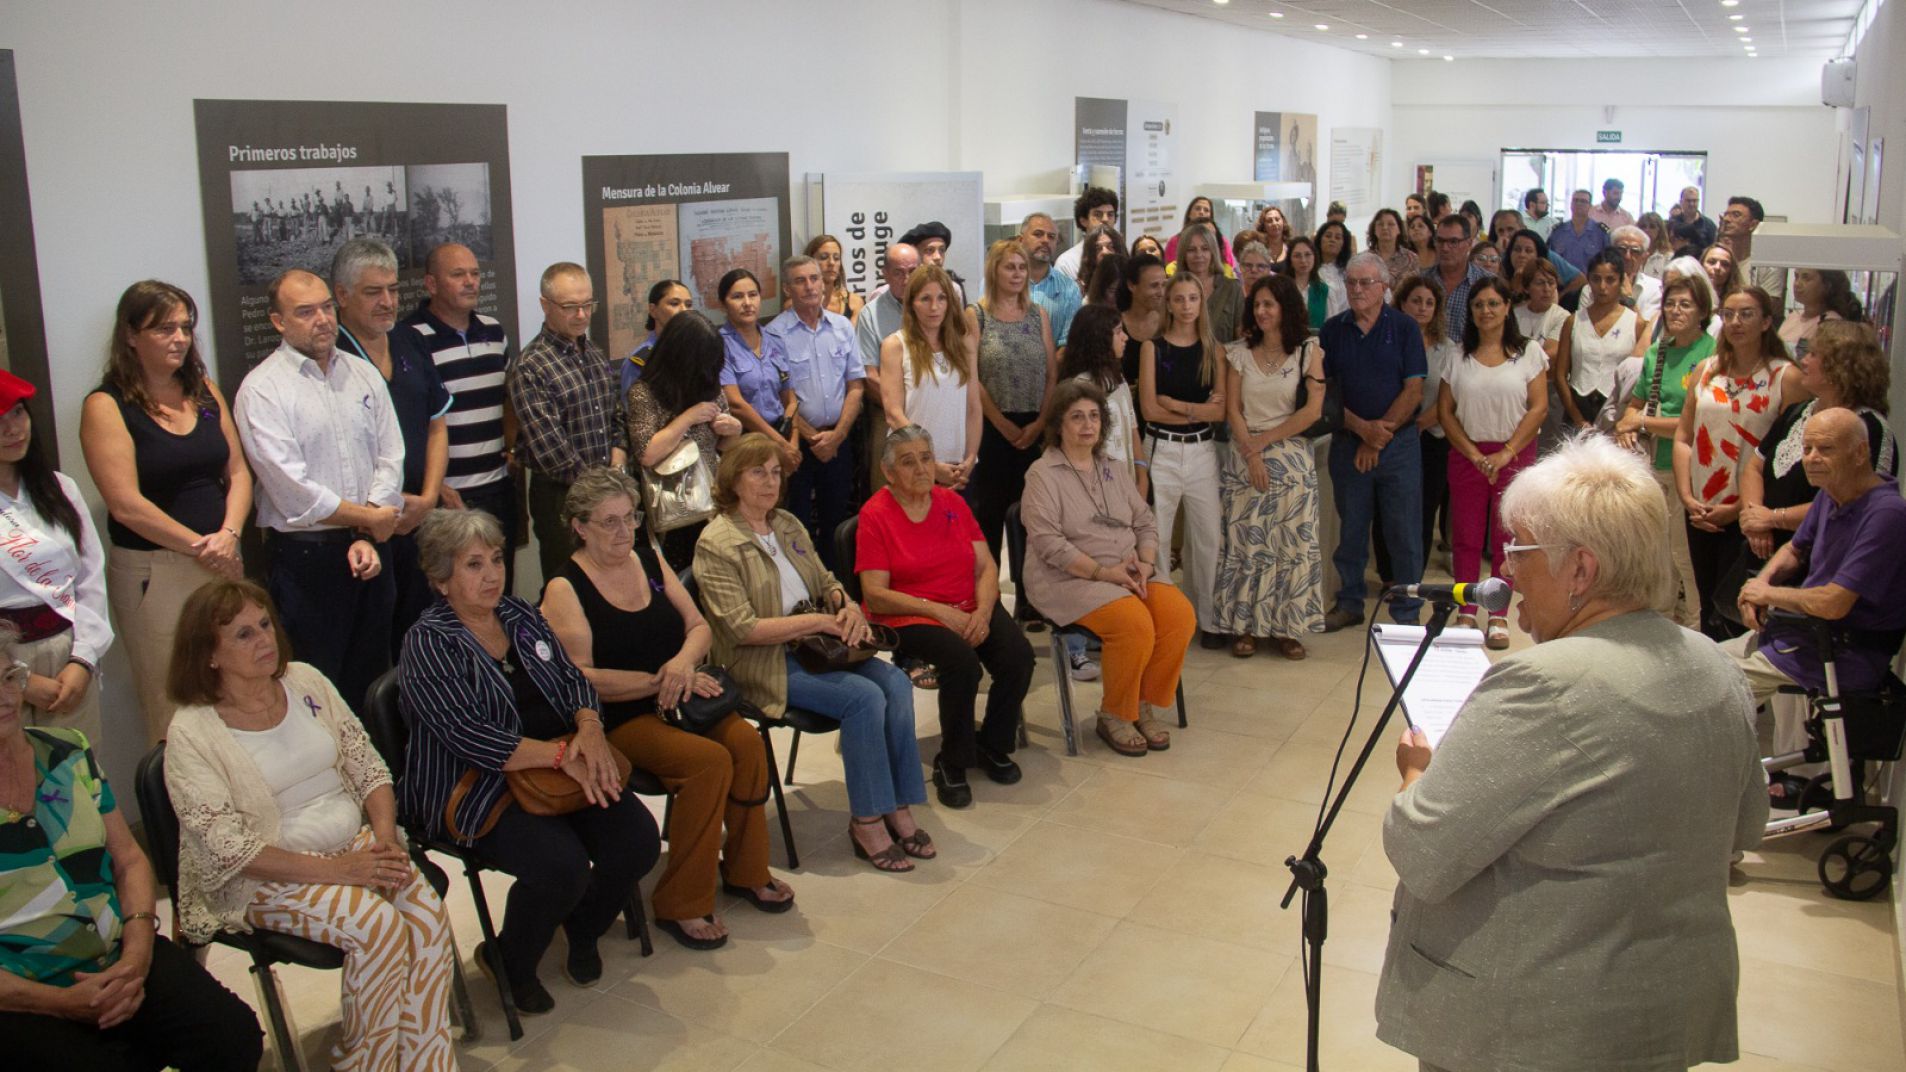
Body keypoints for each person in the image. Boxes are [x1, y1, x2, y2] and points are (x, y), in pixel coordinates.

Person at [1377, 434, 1768, 1072]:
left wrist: (1416, 776)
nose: (1504, 571)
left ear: (1581, 570)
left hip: (1538, 1026)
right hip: (1661, 1012)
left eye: (1519, 551)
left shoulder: (1545, 685)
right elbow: (1744, 827)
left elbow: (1423, 852)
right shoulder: (1714, 666)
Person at [164, 580, 455, 1070]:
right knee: (376, 926)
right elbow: (231, 851)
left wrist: (383, 843)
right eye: (242, 635)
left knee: (425, 917)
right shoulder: (192, 732)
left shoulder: (305, 681)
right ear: (208, 655)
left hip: (358, 844)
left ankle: (426, 1063)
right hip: (266, 874)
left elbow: (368, 768)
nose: (264, 639)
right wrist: (346, 873)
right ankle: (368, 1063)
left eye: (264, 625)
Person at [398, 508, 659, 1014]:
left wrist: (588, 727)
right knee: (561, 866)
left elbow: (572, 678)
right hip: (475, 783)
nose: (492, 574)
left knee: (637, 842)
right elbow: (470, 737)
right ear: (440, 580)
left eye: (495, 559)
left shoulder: (519, 614)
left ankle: (581, 929)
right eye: (473, 565)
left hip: (559, 764)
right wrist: (563, 756)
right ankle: (510, 960)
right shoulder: (428, 642)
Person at [540, 469, 791, 951]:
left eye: (629, 518)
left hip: (681, 695)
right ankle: (681, 901)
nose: (623, 531)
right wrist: (660, 680)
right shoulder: (565, 588)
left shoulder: (647, 559)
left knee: (746, 743)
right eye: (608, 522)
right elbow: (578, 677)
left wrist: (680, 663)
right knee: (708, 763)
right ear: (579, 527)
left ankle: (746, 870)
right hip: (620, 718)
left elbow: (698, 627)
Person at [0, 625, 264, 1072]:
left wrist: (137, 956)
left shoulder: (67, 752)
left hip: (120, 952)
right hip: (25, 994)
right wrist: (63, 1003)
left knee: (231, 1036)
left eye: (9, 677)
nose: (5, 695)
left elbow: (128, 859)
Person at [693, 434, 933, 873]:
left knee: (896, 683)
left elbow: (825, 580)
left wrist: (846, 605)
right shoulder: (717, 542)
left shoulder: (785, 523)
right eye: (757, 472)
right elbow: (742, 629)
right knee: (864, 698)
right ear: (732, 478)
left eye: (775, 472)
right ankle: (867, 820)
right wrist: (821, 622)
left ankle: (897, 804)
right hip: (762, 662)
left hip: (818, 650)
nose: (770, 482)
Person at [80, 282, 246, 745]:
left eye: (186, 327)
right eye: (164, 328)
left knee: (236, 689)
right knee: (173, 706)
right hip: (157, 571)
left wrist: (229, 534)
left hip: (222, 558)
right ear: (131, 335)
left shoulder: (205, 392)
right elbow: (126, 505)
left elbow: (237, 471)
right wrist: (202, 547)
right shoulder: (107, 405)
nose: (179, 338)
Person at [235, 269, 400, 715]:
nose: (322, 319)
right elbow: (293, 491)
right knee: (316, 687)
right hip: (308, 560)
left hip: (371, 551)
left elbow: (391, 458)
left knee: (374, 683)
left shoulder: (363, 374)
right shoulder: (263, 390)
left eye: (326, 307)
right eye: (305, 312)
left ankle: (379, 780)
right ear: (277, 322)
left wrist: (367, 533)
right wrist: (369, 520)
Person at [856, 426, 1032, 808]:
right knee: (962, 662)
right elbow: (875, 594)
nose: (921, 468)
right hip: (909, 614)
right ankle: (951, 761)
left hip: (970, 605)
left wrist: (984, 612)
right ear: (889, 473)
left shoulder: (952, 502)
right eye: (908, 461)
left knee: (1018, 657)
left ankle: (992, 745)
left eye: (925, 457)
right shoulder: (875, 515)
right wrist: (939, 612)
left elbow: (986, 567)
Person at [1021, 379, 1195, 756]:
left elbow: (1145, 521)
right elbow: (1049, 544)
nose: (1087, 425)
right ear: (1059, 425)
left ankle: (1141, 704)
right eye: (1077, 417)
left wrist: (1147, 563)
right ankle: (1115, 714)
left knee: (1179, 616)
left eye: (1094, 417)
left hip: (1129, 570)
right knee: (1134, 624)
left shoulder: (1113, 468)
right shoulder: (1042, 474)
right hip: (1068, 578)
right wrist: (1104, 573)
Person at [1731, 407, 1906, 761]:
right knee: (1695, 661)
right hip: (1799, 637)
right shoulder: (1831, 494)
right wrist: (1760, 583)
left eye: (1825, 449)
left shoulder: (1887, 513)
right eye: (1807, 449)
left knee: (1700, 686)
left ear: (1860, 453)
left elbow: (1834, 602)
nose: (1811, 458)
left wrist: (1769, 594)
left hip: (1839, 651)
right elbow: (1794, 550)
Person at [330, 238, 452, 657]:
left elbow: (436, 424)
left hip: (419, 516)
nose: (387, 301)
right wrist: (385, 504)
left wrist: (429, 497)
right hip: (365, 525)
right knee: (373, 646)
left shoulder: (410, 341)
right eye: (372, 292)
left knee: (423, 635)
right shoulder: (331, 357)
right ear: (341, 295)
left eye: (393, 289)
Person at [1674, 286, 1804, 640]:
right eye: (1728, 314)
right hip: (1700, 507)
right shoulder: (1706, 371)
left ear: (1765, 322)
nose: (1735, 322)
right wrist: (1687, 497)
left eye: (1746, 314)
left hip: (1750, 514)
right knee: (1707, 606)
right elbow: (1684, 436)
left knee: (1739, 611)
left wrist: (1740, 510)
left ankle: (1745, 690)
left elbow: (1789, 461)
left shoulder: (1785, 377)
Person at [1214, 275, 1326, 659]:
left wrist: (1264, 444)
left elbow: (1312, 411)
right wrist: (1252, 452)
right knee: (1249, 543)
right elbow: (1232, 409)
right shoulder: (1238, 353)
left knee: (1290, 544)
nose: (1261, 312)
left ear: (1285, 308)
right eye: (1257, 305)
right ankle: (1244, 626)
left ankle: (1288, 627)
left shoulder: (1308, 351)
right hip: (1246, 449)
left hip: (1289, 445)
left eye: (1269, 305)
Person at [1437, 278, 1550, 648]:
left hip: (1514, 454)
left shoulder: (1528, 352)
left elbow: (1539, 408)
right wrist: (1473, 453)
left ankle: (1498, 614)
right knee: (1466, 537)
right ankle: (1467, 610)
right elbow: (1445, 411)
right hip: (1468, 454)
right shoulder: (1457, 355)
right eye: (1478, 305)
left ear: (1506, 308)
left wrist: (1506, 453)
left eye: (1493, 304)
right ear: (1470, 312)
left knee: (1507, 539)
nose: (1486, 311)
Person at [401, 243, 518, 591]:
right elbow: (404, 425)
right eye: (458, 275)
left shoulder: (494, 330)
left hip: (496, 487)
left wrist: (512, 447)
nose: (470, 282)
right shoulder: (409, 338)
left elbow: (508, 398)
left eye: (475, 274)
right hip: (446, 496)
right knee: (450, 596)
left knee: (497, 590)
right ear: (432, 284)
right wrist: (435, 486)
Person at [1322, 253, 1427, 631]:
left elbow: (1414, 390)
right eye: (1351, 282)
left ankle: (1407, 610)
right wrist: (1362, 431)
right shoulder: (1333, 330)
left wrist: (1377, 436)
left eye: (1366, 282)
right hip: (1349, 443)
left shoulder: (1404, 328)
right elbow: (1326, 395)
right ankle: (1349, 602)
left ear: (1384, 287)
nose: (1357, 289)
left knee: (1403, 530)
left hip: (1397, 446)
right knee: (1351, 528)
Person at [507, 262, 627, 584]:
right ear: (545, 306)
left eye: (588, 305)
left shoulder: (594, 354)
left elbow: (615, 416)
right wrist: (600, 492)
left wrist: (618, 460)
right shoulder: (531, 366)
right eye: (571, 307)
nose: (582, 315)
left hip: (608, 487)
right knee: (570, 583)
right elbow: (551, 449)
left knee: (612, 581)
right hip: (562, 496)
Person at [1616, 272, 1716, 630]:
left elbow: (1695, 422)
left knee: (1685, 555)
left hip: (1692, 469)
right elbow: (1633, 407)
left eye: (1685, 304)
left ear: (1702, 310)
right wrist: (1628, 424)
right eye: (1671, 304)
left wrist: (1640, 423)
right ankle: (1661, 628)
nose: (1676, 311)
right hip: (1654, 463)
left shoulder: (1712, 354)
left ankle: (1698, 628)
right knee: (1658, 555)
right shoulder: (1657, 353)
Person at [1140, 273, 1228, 647]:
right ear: (1169, 304)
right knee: (1156, 535)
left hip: (1201, 450)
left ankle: (1206, 617)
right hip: (1161, 448)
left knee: (1207, 535)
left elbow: (1219, 412)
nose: (1187, 305)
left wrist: (1177, 405)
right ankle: (1163, 615)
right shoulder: (1152, 347)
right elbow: (1148, 409)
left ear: (1200, 303)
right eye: (1179, 299)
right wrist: (1197, 410)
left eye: (1193, 298)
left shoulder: (1213, 348)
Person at [964, 239, 1058, 589]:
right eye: (1010, 267)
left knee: (1031, 517)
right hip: (991, 428)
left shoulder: (1039, 316)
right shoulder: (976, 315)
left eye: (1021, 267)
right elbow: (971, 376)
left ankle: (1030, 594)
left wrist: (1040, 422)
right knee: (989, 514)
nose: (1018, 274)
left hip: (1034, 428)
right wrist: (1001, 423)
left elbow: (1051, 373)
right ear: (994, 271)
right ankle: (988, 594)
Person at [766, 255, 865, 572]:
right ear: (787, 288)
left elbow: (856, 386)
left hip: (839, 439)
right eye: (800, 280)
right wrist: (811, 436)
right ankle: (806, 591)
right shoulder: (775, 334)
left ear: (824, 283)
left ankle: (836, 589)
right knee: (797, 522)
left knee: (837, 519)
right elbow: (781, 397)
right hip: (797, 444)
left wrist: (837, 436)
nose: (809, 286)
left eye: (814, 278)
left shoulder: (842, 328)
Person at [626, 313, 744, 571]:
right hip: (671, 509)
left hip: (711, 500)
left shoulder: (709, 385)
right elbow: (646, 453)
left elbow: (722, 447)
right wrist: (688, 418)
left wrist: (733, 430)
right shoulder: (644, 392)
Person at [879, 264, 981, 490]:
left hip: (959, 467)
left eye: (942, 298)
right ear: (911, 304)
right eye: (925, 299)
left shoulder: (964, 343)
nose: (934, 307)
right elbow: (894, 415)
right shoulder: (895, 345)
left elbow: (973, 407)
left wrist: (970, 458)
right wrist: (930, 465)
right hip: (912, 466)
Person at [1394, 274, 1459, 572]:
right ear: (1402, 303)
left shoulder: (1448, 349)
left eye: (1429, 303)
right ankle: (1391, 574)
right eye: (1416, 301)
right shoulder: (1389, 341)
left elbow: (1451, 396)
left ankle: (1414, 573)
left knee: (1424, 508)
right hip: (1393, 436)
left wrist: (1417, 424)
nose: (1422, 308)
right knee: (1396, 510)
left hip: (1432, 438)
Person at [716, 268, 800, 478]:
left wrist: (793, 444)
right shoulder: (718, 344)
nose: (747, 303)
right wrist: (779, 444)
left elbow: (790, 398)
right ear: (723, 304)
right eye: (737, 297)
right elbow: (736, 404)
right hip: (744, 443)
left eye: (752, 295)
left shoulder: (775, 341)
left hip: (781, 437)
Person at [853, 243, 920, 492]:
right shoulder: (871, 314)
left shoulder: (935, 306)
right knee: (889, 486)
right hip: (888, 412)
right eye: (898, 272)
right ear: (885, 273)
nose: (907, 279)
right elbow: (870, 376)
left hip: (931, 408)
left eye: (913, 271)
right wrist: (906, 405)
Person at [1553, 249, 1643, 431]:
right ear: (1588, 280)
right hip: (1577, 409)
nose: (1602, 287)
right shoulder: (1573, 321)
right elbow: (1560, 375)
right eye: (1596, 279)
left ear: (1621, 281)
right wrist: (1577, 418)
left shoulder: (1635, 323)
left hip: (1617, 413)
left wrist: (1624, 418)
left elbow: (1641, 377)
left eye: (1610, 280)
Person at [1060, 304, 1143, 489]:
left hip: (1126, 484)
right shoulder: (1079, 388)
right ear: (1100, 339)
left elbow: (1132, 427)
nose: (1125, 337)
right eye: (1118, 332)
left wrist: (1142, 474)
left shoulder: (1118, 380)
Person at [1169, 223, 1242, 344]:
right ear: (1183, 254)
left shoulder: (1232, 289)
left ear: (1213, 252)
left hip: (1223, 361)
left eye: (1205, 249)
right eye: (1191, 250)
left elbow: (1241, 338)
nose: (1199, 255)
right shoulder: (1171, 289)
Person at [620, 278, 694, 394]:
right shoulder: (640, 361)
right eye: (674, 304)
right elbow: (633, 409)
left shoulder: (695, 351)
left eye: (688, 305)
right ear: (653, 310)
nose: (684, 310)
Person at [1020, 212, 1082, 345]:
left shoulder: (1070, 290)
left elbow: (1066, 346)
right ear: (1021, 240)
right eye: (1038, 234)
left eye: (1051, 237)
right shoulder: (998, 284)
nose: (1045, 240)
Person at [1431, 214, 1491, 342]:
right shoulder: (1423, 281)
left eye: (1453, 242)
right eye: (1440, 241)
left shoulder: (1487, 283)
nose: (1445, 248)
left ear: (1469, 244)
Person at [1778, 268, 1862, 357]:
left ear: (1827, 285)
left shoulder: (1832, 323)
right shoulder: (1793, 316)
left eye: (1806, 278)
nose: (1797, 284)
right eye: (1796, 277)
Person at [1720, 195, 1786, 307]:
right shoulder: (1719, 259)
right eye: (1726, 214)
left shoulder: (1768, 263)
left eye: (1736, 215)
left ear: (1753, 224)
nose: (1726, 219)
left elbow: (1769, 306)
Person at [1118, 253, 1170, 389]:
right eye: (1154, 286)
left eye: (1163, 285)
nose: (1161, 292)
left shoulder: (1171, 323)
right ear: (1131, 285)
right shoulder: (1114, 325)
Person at [1055, 186, 1119, 285]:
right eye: (1098, 214)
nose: (1105, 219)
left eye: (1110, 214)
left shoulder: (1121, 254)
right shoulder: (1067, 263)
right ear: (1083, 221)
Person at [1283, 236, 1345, 333]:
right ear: (1290, 260)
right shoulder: (1281, 290)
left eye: (1307, 255)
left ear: (1314, 258)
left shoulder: (1324, 291)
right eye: (1297, 256)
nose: (1303, 260)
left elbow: (1333, 327)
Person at [1512, 259, 1567, 361]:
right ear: (1527, 288)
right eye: (1540, 283)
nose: (1547, 289)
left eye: (1551, 283)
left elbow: (1549, 355)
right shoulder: (1515, 314)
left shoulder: (1562, 316)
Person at [1507, 228, 1585, 298]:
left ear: (1538, 255)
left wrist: (1559, 298)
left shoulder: (1549, 256)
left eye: (1528, 251)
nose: (1522, 255)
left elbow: (1581, 279)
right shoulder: (1502, 264)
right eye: (1517, 249)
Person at [1610, 224, 1664, 323]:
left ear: (1645, 256)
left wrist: (1629, 299)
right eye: (1622, 249)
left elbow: (1648, 331)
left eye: (1635, 251)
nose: (1627, 256)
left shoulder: (1656, 288)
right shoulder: (1593, 287)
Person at [1547, 189, 1611, 272]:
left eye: (1583, 201)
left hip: (1590, 282)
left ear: (1590, 206)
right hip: (1563, 283)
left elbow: (1607, 261)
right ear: (1570, 204)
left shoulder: (1600, 233)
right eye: (1575, 200)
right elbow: (1550, 260)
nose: (1578, 204)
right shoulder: (1558, 232)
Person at [1163, 196, 1236, 269]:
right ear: (1189, 214)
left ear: (1211, 216)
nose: (1201, 212)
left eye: (1206, 210)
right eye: (1198, 209)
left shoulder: (1222, 241)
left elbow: (1229, 266)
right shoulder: (1175, 241)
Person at [804, 233, 864, 320]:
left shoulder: (854, 302)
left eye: (836, 258)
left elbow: (852, 333)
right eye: (824, 257)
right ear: (810, 261)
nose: (831, 263)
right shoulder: (798, 304)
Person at [1076, 225, 1127, 306]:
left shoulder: (1132, 282)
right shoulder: (1079, 291)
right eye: (1098, 248)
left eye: (1110, 247)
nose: (1105, 252)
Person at [1367, 208, 1416, 288]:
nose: (1385, 227)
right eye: (1380, 224)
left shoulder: (1411, 258)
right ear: (1374, 230)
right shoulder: (1364, 259)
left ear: (1399, 229)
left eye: (1391, 224)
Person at [1669, 185, 1718, 254]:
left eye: (1694, 201)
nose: (1691, 204)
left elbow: (1713, 249)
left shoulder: (1709, 225)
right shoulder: (1672, 223)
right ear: (1681, 202)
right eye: (1688, 201)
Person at [1314, 221, 1355, 289]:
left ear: (1344, 245)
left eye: (1337, 238)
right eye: (1328, 236)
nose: (1332, 240)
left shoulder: (1349, 271)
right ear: (1319, 240)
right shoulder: (1309, 268)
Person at [1636, 212, 1675, 279]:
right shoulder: (1632, 254)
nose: (1647, 230)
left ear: (1660, 230)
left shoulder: (1668, 257)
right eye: (1643, 226)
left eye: (1652, 227)